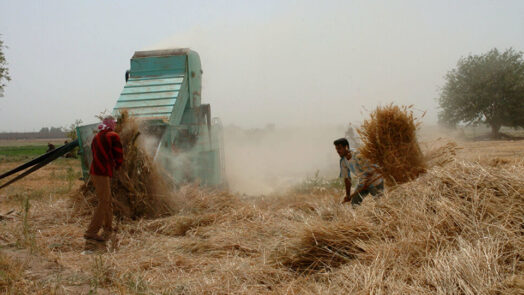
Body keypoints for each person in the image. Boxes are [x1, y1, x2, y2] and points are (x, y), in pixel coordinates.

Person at [84, 116, 123, 242]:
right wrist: (118, 166)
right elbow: (119, 154)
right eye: (114, 123)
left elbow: (93, 152)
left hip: (95, 171)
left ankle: (108, 227)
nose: (115, 125)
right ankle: (91, 232)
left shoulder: (97, 136)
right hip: (102, 172)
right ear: (111, 124)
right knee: (103, 201)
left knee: (107, 199)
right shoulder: (113, 136)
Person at [333, 138, 383, 205]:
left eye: (339, 148)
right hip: (363, 182)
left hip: (374, 180)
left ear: (346, 147)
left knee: (381, 203)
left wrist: (366, 183)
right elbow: (347, 179)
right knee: (354, 203)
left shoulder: (358, 154)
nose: (337, 151)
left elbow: (371, 169)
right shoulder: (343, 161)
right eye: (336, 149)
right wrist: (348, 195)